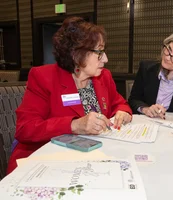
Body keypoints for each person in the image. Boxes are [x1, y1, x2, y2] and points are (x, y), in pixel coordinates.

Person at [7, 17, 132, 174]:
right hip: (45, 163)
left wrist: (123, 112)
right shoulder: (43, 77)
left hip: (90, 159)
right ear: (76, 55)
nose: (105, 59)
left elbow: (120, 103)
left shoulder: (103, 76)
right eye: (99, 52)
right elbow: (25, 129)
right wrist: (74, 125)